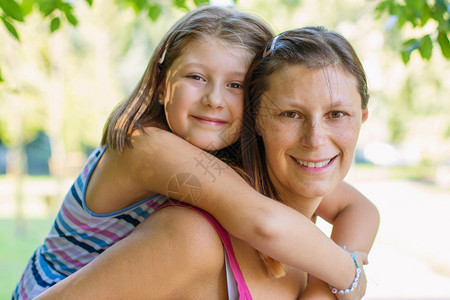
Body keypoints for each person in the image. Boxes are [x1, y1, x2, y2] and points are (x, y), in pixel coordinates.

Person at [14, 6, 378, 299]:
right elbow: (262, 222)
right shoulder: (145, 145)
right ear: (160, 85)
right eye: (196, 77)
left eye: (235, 85)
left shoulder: (221, 153)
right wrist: (349, 275)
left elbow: (357, 207)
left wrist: (320, 288)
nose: (213, 99)